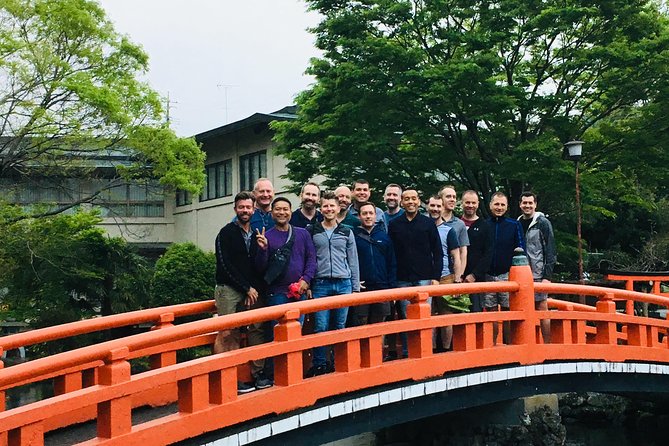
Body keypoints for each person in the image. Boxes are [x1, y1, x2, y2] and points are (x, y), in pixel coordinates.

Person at [214, 191, 271, 393]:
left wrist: (263, 249)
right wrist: (245, 288)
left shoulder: (257, 232)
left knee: (257, 328)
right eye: (241, 207)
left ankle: (258, 374)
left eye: (248, 207)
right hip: (230, 288)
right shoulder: (226, 232)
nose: (245, 211)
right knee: (228, 332)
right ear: (235, 209)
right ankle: (225, 378)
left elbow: (258, 266)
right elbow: (225, 265)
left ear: (254, 210)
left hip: (252, 289)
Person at [306, 192, 360, 376]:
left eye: (332, 206)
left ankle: (339, 362)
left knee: (340, 325)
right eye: (325, 206)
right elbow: (309, 258)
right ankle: (320, 363)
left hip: (343, 282)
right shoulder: (312, 230)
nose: (329, 209)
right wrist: (310, 284)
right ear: (321, 209)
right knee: (321, 325)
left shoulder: (346, 231)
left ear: (338, 208)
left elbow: (353, 260)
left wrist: (355, 287)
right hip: (321, 283)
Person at [387, 189, 443, 359]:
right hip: (402, 278)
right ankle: (407, 352)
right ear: (401, 202)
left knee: (424, 316)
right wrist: (392, 280)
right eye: (406, 199)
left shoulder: (427, 224)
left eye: (414, 199)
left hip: (425, 276)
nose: (410, 202)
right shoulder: (395, 225)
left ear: (419, 202)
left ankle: (425, 351)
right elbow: (391, 254)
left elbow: (437, 252)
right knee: (405, 317)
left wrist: (436, 277)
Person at [255, 197, 317, 326]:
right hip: (277, 293)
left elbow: (311, 259)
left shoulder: (303, 233)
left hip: (299, 291)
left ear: (290, 212)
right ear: (272, 213)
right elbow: (261, 268)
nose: (282, 212)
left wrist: (306, 279)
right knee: (277, 332)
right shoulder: (266, 236)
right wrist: (263, 249)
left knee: (297, 329)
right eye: (277, 209)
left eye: (285, 209)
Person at [485, 192, 525, 344]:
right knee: (491, 310)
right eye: (496, 204)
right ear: (490, 205)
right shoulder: (485, 225)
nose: (499, 207)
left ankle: (510, 344)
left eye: (502, 205)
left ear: (507, 207)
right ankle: (492, 344)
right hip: (488, 275)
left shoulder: (514, 225)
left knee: (509, 310)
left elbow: (521, 248)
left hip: (507, 274)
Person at [518, 191, 557, 344]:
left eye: (530, 203)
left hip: (538, 273)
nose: (527, 205)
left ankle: (547, 343)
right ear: (520, 204)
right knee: (521, 308)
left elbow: (551, 250)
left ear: (535, 204)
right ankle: (524, 343)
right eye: (524, 203)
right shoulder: (518, 223)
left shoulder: (542, 223)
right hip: (521, 273)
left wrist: (547, 276)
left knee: (542, 306)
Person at [427, 195, 464, 352]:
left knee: (446, 314)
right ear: (427, 207)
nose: (435, 209)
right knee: (428, 315)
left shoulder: (449, 231)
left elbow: (456, 255)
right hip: (426, 277)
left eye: (438, 206)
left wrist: (457, 279)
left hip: (446, 275)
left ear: (443, 208)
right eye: (432, 206)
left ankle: (447, 348)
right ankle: (431, 348)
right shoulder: (423, 227)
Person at [353, 201, 396, 325]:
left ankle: (379, 346)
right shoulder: (354, 237)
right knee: (362, 321)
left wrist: (392, 287)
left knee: (380, 323)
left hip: (382, 286)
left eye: (371, 213)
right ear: (359, 216)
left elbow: (391, 263)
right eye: (364, 213)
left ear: (375, 216)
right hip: (363, 287)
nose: (368, 216)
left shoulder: (384, 237)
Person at [460, 190, 493, 312]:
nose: (470, 205)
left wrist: (474, 275)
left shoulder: (485, 226)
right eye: (467, 202)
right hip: (456, 277)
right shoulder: (456, 224)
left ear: (478, 204)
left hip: (476, 278)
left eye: (473, 202)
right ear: (462, 203)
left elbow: (488, 254)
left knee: (476, 312)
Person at [439, 185, 469, 278]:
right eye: (448, 196)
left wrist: (460, 275)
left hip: (451, 273)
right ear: (440, 199)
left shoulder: (460, 224)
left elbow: (463, 252)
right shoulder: (429, 221)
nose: (452, 199)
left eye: (454, 197)